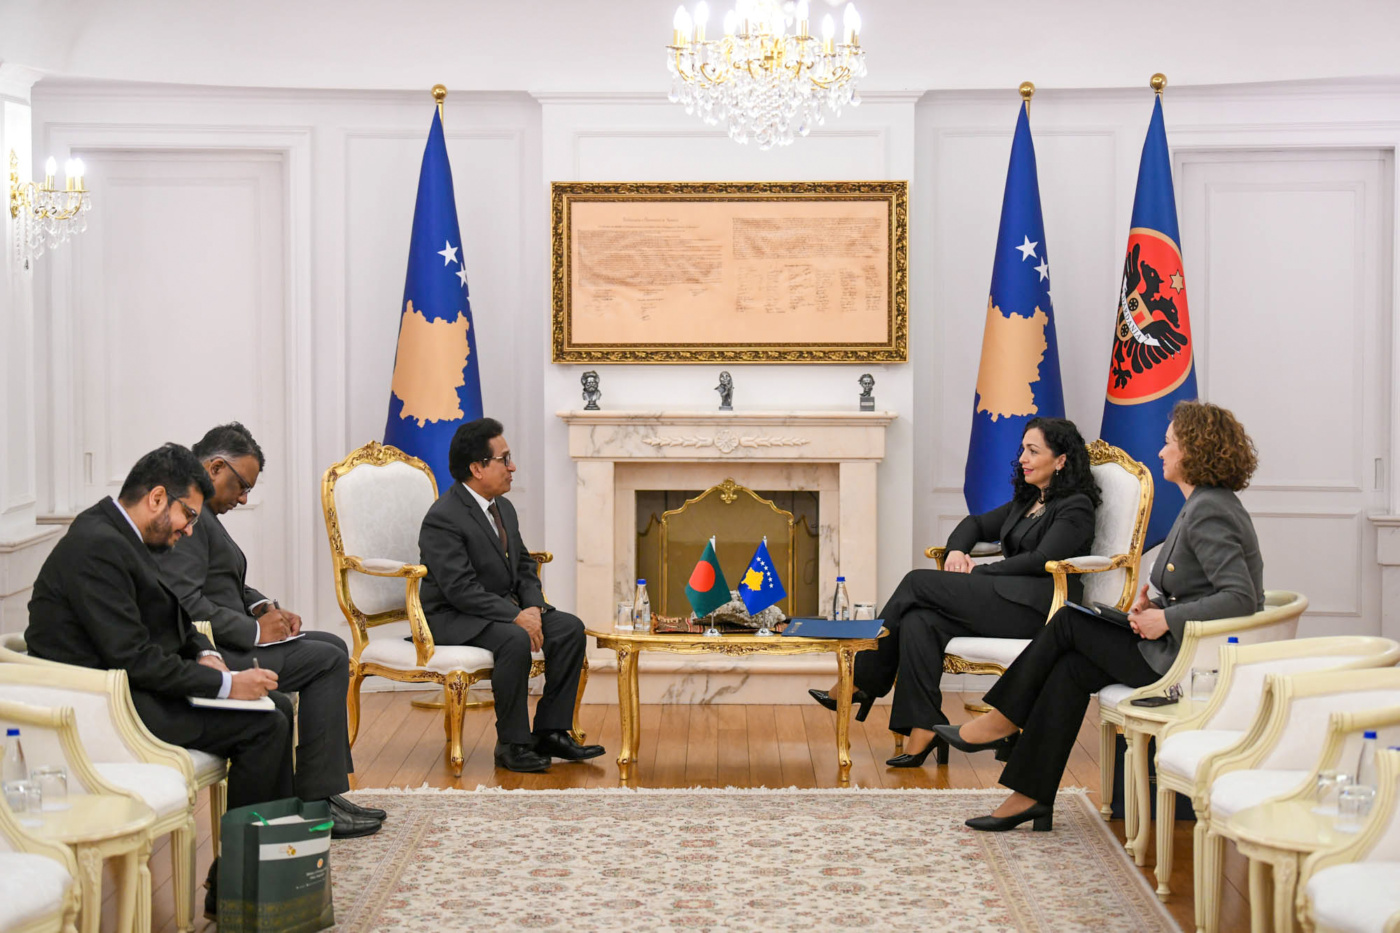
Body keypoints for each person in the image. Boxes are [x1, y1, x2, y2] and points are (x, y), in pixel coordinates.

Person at [935, 400, 1263, 831]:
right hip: (1174, 646)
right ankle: (1030, 796)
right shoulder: (1202, 503)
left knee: (1068, 621)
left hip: (1186, 661)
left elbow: (1240, 598)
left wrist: (1166, 619)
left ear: (1194, 451)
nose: (1161, 452)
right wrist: (1156, 605)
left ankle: (1001, 721)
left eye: (1169, 444)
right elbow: (1204, 589)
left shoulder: (1211, 510)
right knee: (1069, 669)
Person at [808, 417, 1099, 768]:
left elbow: (1041, 560)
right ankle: (923, 727)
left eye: (1033, 451)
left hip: (1037, 608)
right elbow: (974, 524)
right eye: (1023, 449)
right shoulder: (1029, 501)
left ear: (1061, 460)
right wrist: (957, 551)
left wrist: (979, 571)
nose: (1022, 458)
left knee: (916, 582)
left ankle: (859, 680)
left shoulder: (1075, 506)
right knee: (919, 620)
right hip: (1003, 597)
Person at [25, 445, 294, 812]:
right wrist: (227, 684)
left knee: (277, 707)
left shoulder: (124, 535)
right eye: (189, 515)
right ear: (156, 498)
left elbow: (174, 615)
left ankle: (274, 840)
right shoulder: (97, 547)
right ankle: (249, 849)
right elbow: (133, 658)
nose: (189, 530)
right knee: (266, 725)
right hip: (108, 707)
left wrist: (206, 652)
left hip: (132, 688)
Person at [154, 423, 383, 838]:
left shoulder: (201, 513)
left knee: (331, 646)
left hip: (232, 638)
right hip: (217, 653)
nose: (243, 498)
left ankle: (324, 795)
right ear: (215, 467)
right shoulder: (187, 517)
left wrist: (262, 606)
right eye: (241, 486)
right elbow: (186, 604)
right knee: (328, 659)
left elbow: (222, 583)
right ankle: (318, 800)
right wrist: (256, 631)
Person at [418, 417, 604, 773]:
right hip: (453, 616)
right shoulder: (444, 517)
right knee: (514, 638)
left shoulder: (502, 507)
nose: (512, 467)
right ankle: (512, 744)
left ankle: (550, 732)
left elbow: (523, 566)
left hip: (500, 612)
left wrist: (533, 608)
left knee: (569, 629)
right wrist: (516, 616)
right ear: (477, 468)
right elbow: (460, 589)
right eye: (504, 459)